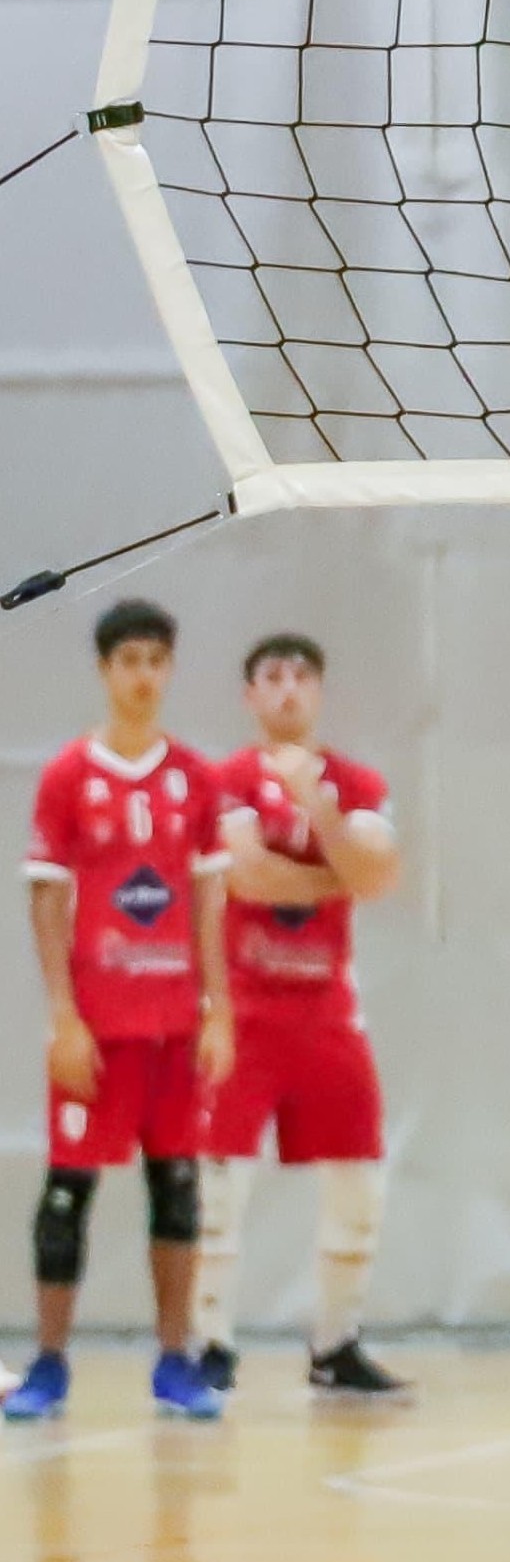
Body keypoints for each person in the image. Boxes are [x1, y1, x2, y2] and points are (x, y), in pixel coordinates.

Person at [17, 599, 231, 1423]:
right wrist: (63, 1018)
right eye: (129, 660)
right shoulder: (69, 775)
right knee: (66, 1194)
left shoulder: (195, 779)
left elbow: (208, 900)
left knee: (176, 1189)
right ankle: (48, 1365)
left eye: (156, 660)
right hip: (96, 1029)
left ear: (169, 669)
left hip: (174, 1026)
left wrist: (218, 1011)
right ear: (105, 670)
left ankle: (175, 1362)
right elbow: (46, 901)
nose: (144, 676)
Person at [197, 629, 412, 1401]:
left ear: (319, 692)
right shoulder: (223, 780)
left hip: (327, 1013)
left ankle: (336, 1345)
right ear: (250, 695)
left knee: (359, 1179)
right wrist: (337, 875)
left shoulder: (354, 783)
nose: (288, 689)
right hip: (242, 1009)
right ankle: (209, 1343)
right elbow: (248, 877)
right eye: (273, 677)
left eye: (300, 676)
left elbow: (380, 874)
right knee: (220, 1186)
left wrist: (316, 804)